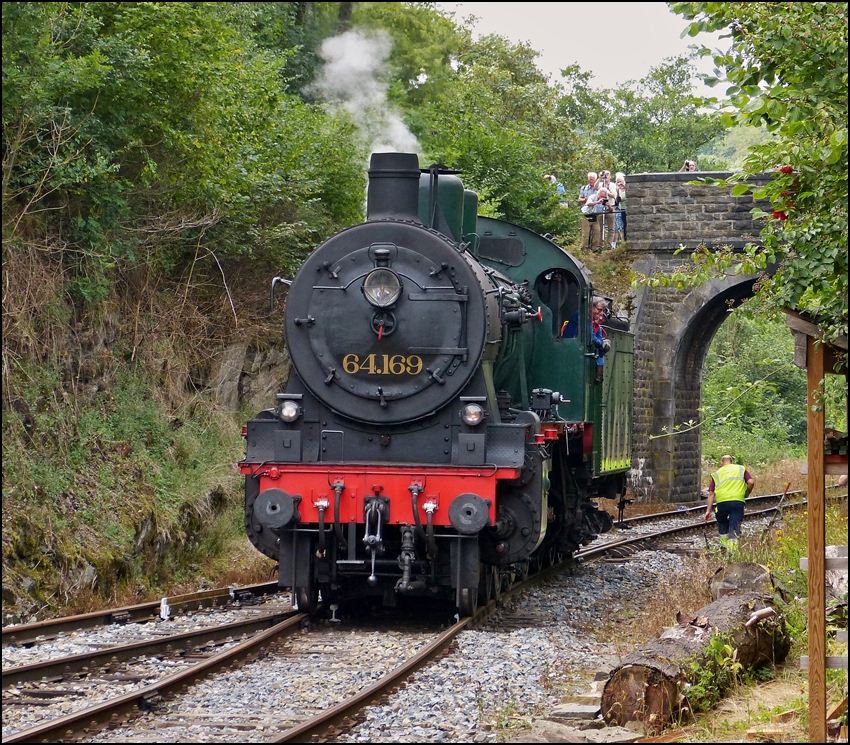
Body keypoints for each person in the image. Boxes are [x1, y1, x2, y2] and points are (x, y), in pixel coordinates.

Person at [703, 454, 755, 539]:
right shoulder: (740, 469)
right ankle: (732, 550)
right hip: (737, 501)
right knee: (734, 527)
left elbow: (711, 493)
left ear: (721, 463)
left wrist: (708, 511)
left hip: (721, 503)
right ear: (732, 462)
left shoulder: (717, 473)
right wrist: (746, 493)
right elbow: (751, 482)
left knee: (722, 524)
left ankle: (723, 548)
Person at [578, 172, 602, 253]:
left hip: (595, 214)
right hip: (586, 213)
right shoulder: (584, 188)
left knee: (597, 231)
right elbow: (579, 199)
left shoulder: (598, 188)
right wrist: (586, 199)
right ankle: (584, 249)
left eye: (592, 179)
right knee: (586, 233)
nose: (590, 181)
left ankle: (595, 248)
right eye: (589, 179)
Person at [597, 170, 617, 249]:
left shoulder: (612, 185)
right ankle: (600, 244)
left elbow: (613, 195)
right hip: (601, 208)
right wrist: (600, 178)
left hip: (610, 206)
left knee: (611, 227)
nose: (606, 177)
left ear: (610, 176)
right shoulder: (601, 184)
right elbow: (595, 187)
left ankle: (609, 244)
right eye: (605, 175)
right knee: (600, 227)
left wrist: (606, 190)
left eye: (607, 175)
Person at [612, 172, 626, 248]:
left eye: (620, 181)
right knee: (621, 227)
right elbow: (617, 201)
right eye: (618, 181)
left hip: (627, 210)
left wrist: (624, 187)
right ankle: (623, 243)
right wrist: (617, 192)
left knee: (627, 227)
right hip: (620, 210)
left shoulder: (627, 189)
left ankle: (626, 241)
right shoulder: (617, 190)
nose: (619, 183)